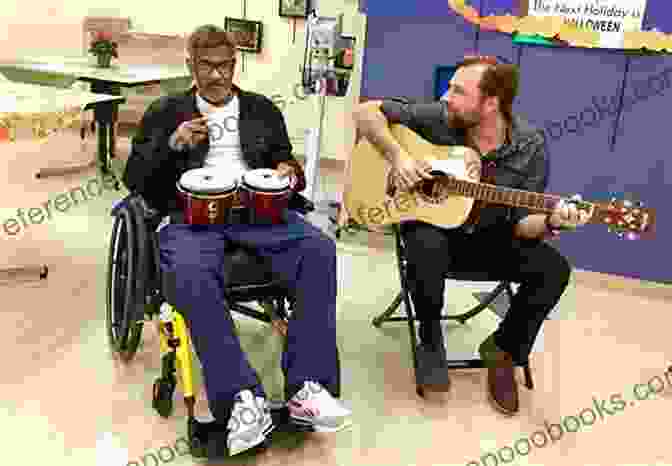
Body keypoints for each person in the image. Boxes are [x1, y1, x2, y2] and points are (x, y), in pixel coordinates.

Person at [123, 24, 351, 456]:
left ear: (235, 64)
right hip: (190, 216)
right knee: (190, 271)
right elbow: (134, 180)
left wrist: (290, 172)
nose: (217, 76)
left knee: (319, 248)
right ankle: (242, 398)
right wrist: (172, 145)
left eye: (225, 66)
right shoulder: (165, 112)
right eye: (207, 66)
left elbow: (286, 164)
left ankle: (308, 388)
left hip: (257, 214)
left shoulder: (261, 110)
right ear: (190, 65)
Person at [352, 55, 590, 415]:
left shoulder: (529, 146)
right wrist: (399, 157)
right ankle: (430, 337)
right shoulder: (440, 118)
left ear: (491, 103)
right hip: (437, 237)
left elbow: (524, 224)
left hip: (493, 240)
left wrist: (554, 222)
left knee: (553, 269)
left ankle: (505, 350)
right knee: (425, 242)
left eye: (458, 91)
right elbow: (365, 112)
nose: (447, 96)